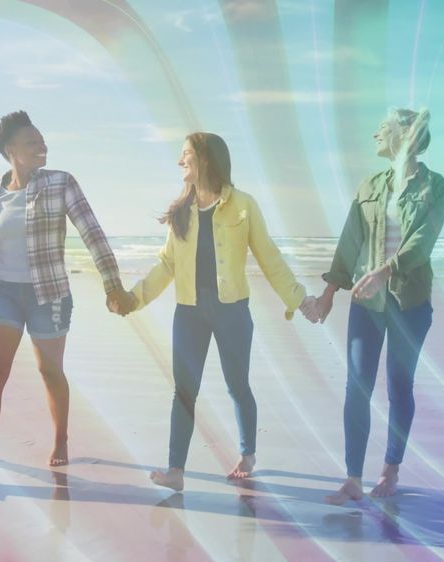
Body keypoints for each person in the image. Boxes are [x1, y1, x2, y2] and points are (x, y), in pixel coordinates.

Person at [117, 132, 319, 491]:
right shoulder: (181, 212)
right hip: (189, 312)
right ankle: (175, 471)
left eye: (186, 154)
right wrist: (134, 299)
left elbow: (269, 257)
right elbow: (167, 265)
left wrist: (299, 299)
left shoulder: (243, 205)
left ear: (206, 160)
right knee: (184, 391)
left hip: (232, 311)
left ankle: (247, 454)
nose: (180, 161)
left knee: (237, 385)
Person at [0, 111, 135, 486]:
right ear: (11, 150)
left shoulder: (60, 183)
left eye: (42, 140)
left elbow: (92, 233)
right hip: (0, 292)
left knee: (49, 371)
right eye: (32, 142)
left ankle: (60, 436)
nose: (42, 146)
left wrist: (113, 286)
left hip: (47, 294)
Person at [310, 108, 444, 502]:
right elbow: (349, 240)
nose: (375, 133)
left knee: (399, 386)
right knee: (357, 385)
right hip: (367, 303)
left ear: (405, 135)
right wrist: (329, 293)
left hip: (410, 302)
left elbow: (422, 241)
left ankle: (390, 470)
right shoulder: (370, 185)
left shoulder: (435, 186)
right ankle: (353, 478)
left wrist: (384, 272)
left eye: (382, 128)